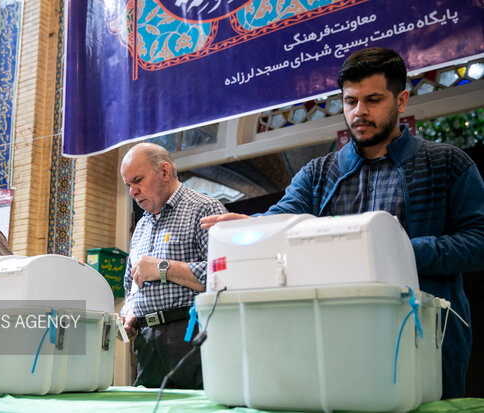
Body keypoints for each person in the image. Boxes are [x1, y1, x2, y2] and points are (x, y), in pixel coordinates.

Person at [201, 47, 484, 399]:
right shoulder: (318, 173)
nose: (359, 112)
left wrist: (394, 251)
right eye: (350, 101)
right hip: (335, 339)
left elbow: (478, 241)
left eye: (373, 99)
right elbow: (282, 221)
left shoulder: (447, 164)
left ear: (402, 100)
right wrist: (251, 227)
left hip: (428, 336)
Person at [119, 142, 227, 389]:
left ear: (165, 172)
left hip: (190, 334)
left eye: (138, 180)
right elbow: (131, 285)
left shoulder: (204, 208)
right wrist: (130, 312)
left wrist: (163, 268)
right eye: (128, 185)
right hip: (146, 341)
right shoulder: (142, 226)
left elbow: (224, 275)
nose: (132, 192)